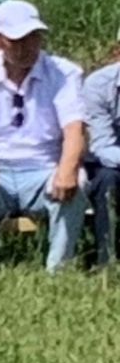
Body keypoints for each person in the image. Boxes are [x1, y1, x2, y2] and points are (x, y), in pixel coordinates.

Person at [0, 1, 86, 273]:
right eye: (17, 40)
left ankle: (58, 269)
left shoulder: (65, 73)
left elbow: (74, 129)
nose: (27, 46)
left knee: (78, 180)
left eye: (33, 37)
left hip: (45, 169)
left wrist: (66, 168)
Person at [81, 29, 120, 266]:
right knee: (106, 179)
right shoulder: (98, 85)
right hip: (112, 160)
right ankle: (109, 261)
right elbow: (101, 144)